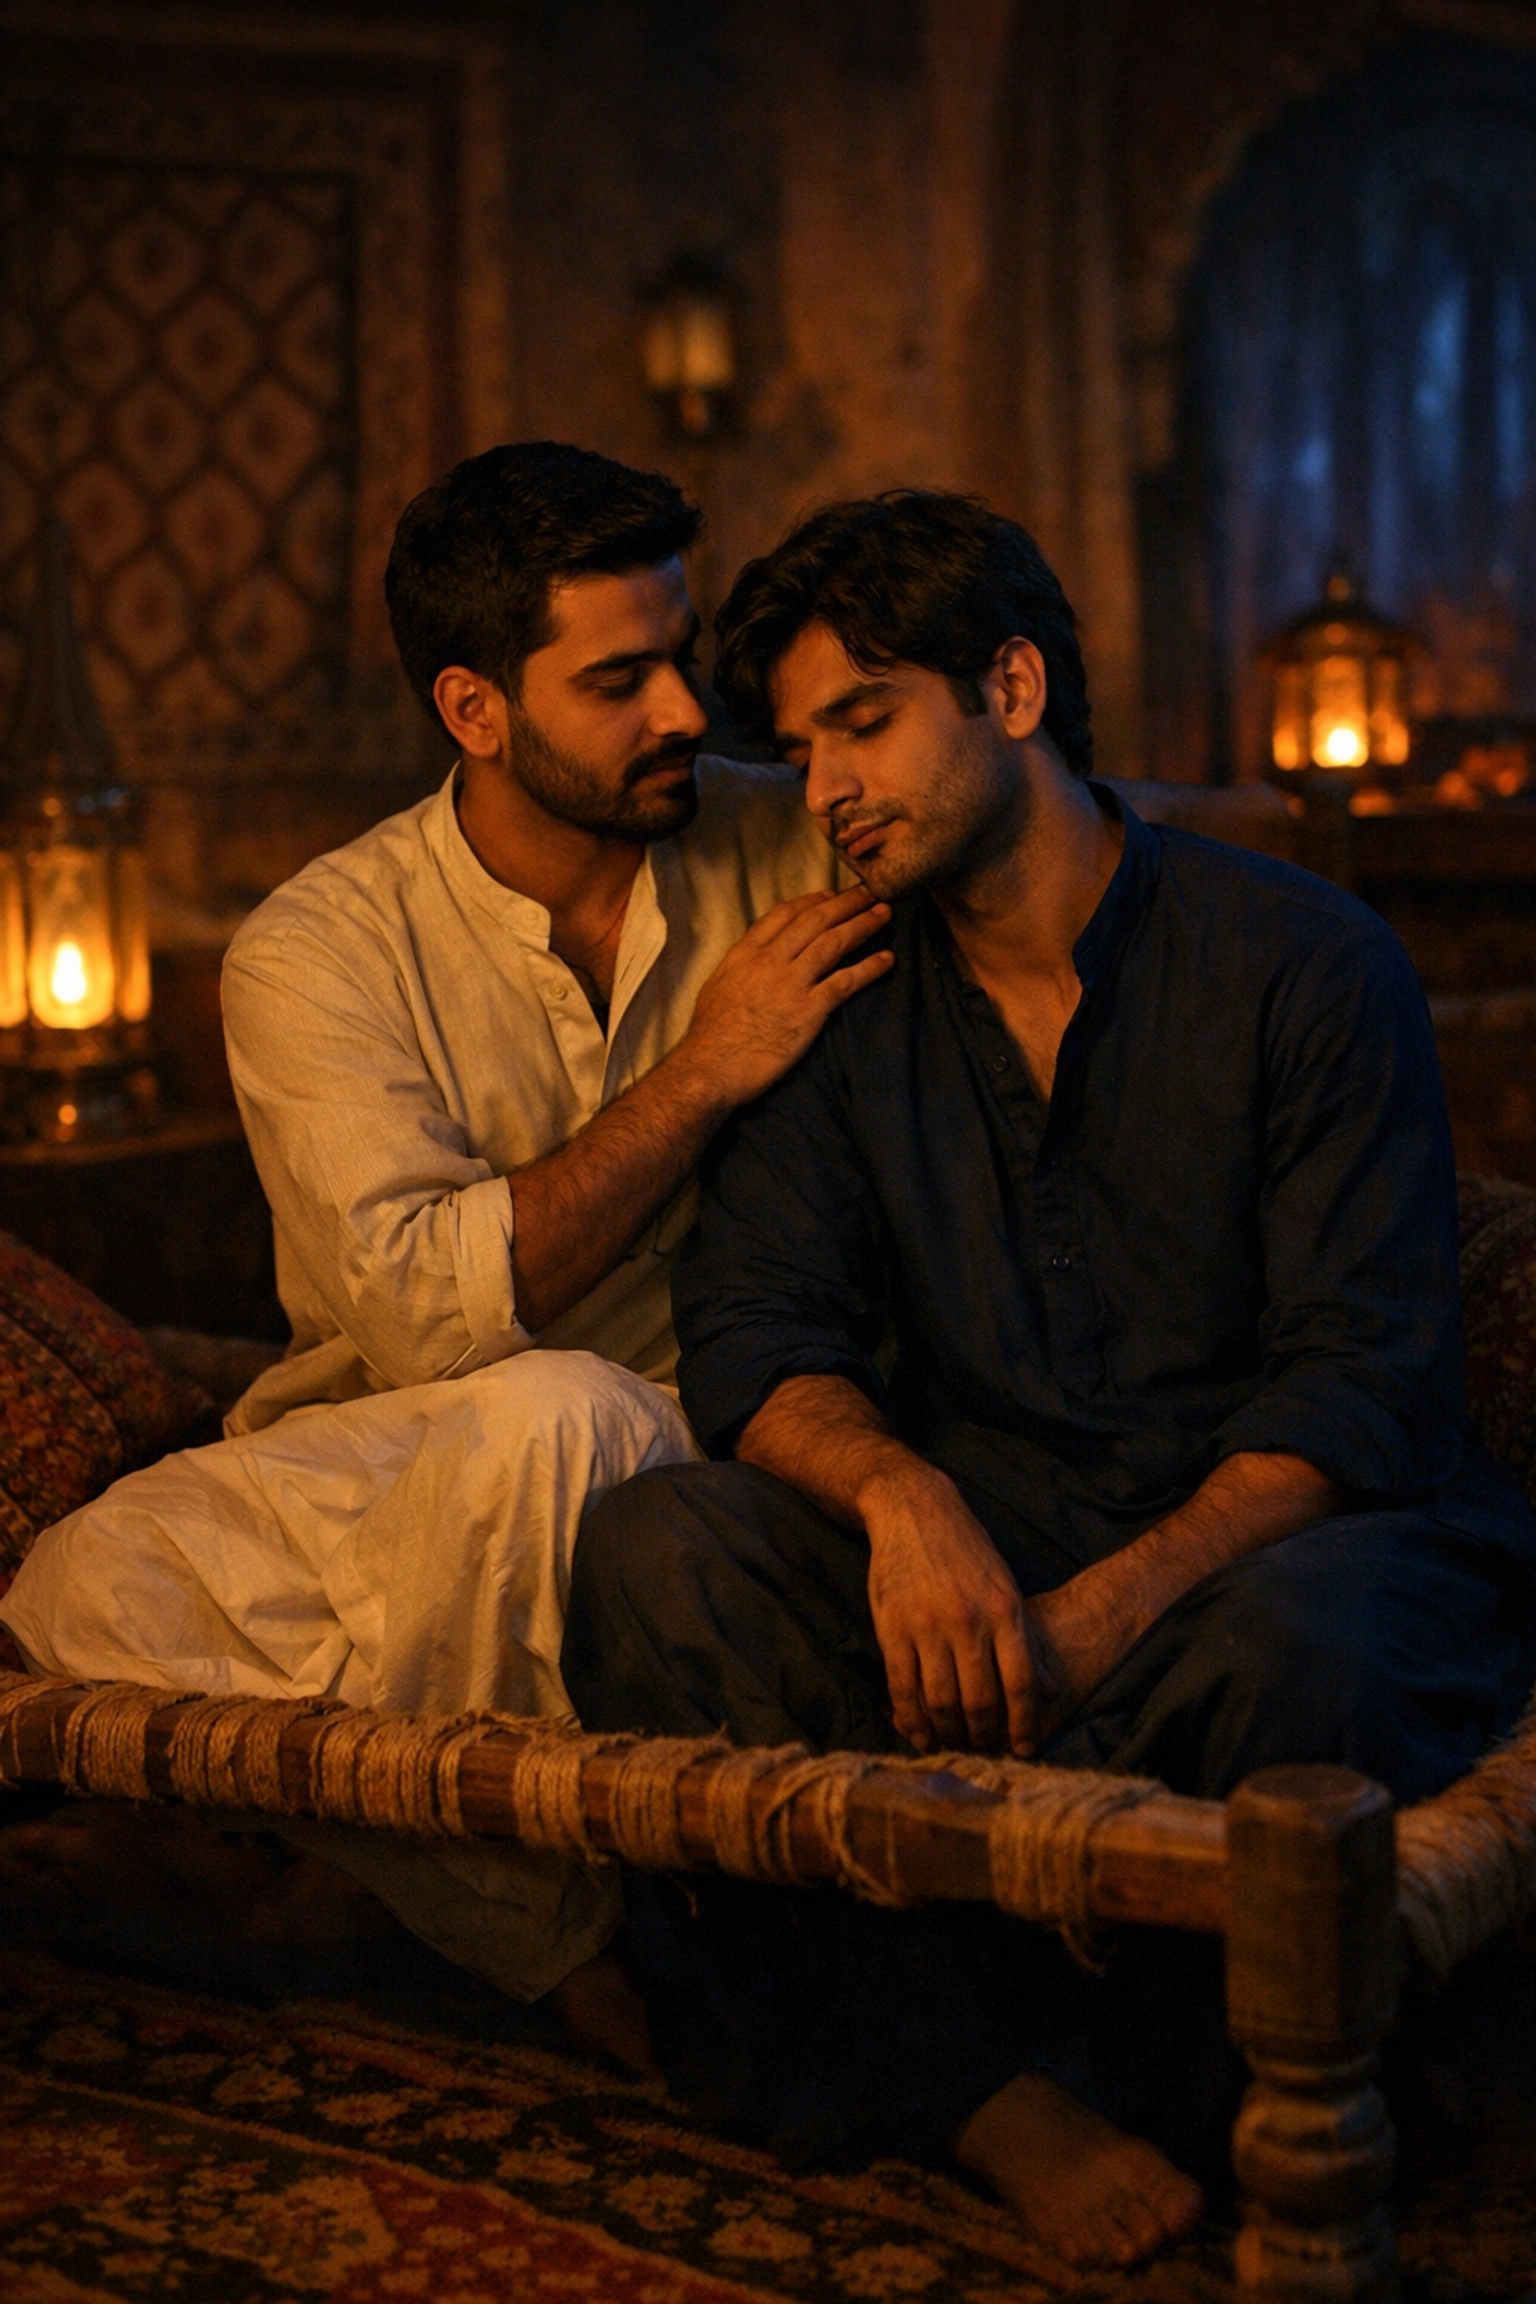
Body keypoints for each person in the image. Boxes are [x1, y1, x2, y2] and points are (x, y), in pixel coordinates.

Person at [560, 490, 1536, 2268]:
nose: (827, 788)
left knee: (1299, 1656)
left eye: (866, 722)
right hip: (993, 1538)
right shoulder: (840, 1007)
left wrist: (1110, 1609)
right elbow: (756, 1336)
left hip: (1277, 1549)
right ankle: (999, 2094)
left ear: (1011, 687)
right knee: (657, 1553)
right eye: (801, 745)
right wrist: (899, 1497)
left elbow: (1363, 1385)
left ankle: (1092, 2056)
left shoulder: (1306, 964)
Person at [0, 443, 891, 2036]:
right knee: (82, 1588)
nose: (686, 709)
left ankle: (553, 1966)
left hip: (693, 1453)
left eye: (679, 655)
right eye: (619, 679)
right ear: (476, 710)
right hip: (405, 1453)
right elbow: (426, 1325)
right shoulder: (314, 951)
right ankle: (498, 1912)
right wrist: (707, 1069)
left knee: (556, 1415)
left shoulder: (789, 842)